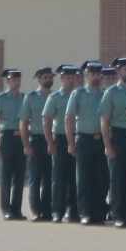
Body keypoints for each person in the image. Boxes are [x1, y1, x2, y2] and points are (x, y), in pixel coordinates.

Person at [66, 62, 108, 224]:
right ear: (86, 75)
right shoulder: (78, 94)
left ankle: (99, 212)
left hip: (102, 140)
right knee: (84, 178)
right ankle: (85, 213)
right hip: (84, 139)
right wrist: (70, 142)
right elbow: (69, 118)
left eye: (98, 74)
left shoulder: (105, 94)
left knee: (102, 178)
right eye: (92, 74)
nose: (96, 77)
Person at [99, 59, 126, 226]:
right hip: (118, 136)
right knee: (117, 178)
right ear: (119, 72)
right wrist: (108, 145)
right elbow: (104, 121)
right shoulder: (111, 92)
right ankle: (118, 214)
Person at [44, 65, 78, 222]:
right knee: (58, 177)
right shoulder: (55, 97)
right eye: (67, 77)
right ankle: (57, 210)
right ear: (62, 79)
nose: (70, 80)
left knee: (75, 176)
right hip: (61, 139)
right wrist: (50, 143)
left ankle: (74, 210)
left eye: (72, 77)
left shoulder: (79, 95)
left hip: (78, 138)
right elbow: (47, 121)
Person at [21, 67, 54, 221]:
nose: (48, 79)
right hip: (37, 140)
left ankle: (47, 210)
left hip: (53, 140)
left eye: (50, 77)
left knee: (49, 177)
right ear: (39, 79)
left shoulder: (55, 96)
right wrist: (26, 145)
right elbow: (23, 122)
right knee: (35, 177)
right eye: (45, 77)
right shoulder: (31, 97)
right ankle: (36, 210)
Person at [0, 68, 26, 220]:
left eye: (18, 79)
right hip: (7, 136)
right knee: (6, 175)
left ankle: (17, 209)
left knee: (20, 175)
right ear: (7, 81)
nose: (16, 82)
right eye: (13, 79)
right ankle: (6, 209)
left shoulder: (24, 98)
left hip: (22, 137)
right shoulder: (0, 98)